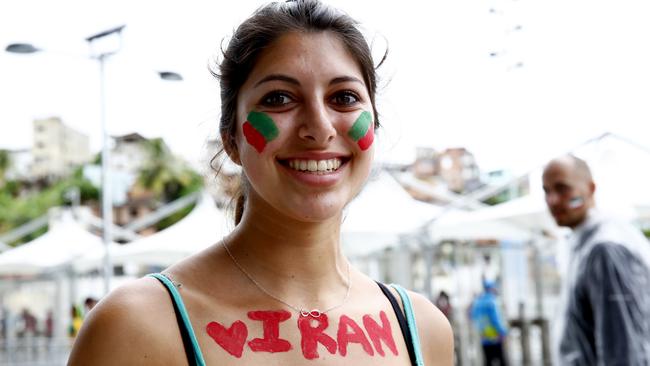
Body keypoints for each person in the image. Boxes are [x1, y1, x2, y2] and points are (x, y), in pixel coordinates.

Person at [68, 1, 454, 365]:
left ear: (375, 123)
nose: (319, 129)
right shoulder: (138, 326)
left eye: (344, 97)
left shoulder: (422, 329)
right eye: (280, 98)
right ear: (231, 139)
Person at [542, 154, 650, 365]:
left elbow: (623, 351)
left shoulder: (605, 250)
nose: (552, 200)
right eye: (546, 191)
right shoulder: (583, 243)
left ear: (590, 189)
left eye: (562, 188)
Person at [470, 280, 508, 366]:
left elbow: (473, 317)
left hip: (484, 336)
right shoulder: (492, 301)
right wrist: (503, 332)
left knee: (487, 361)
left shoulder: (478, 302)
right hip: (495, 336)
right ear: (491, 288)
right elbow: (496, 319)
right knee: (501, 360)